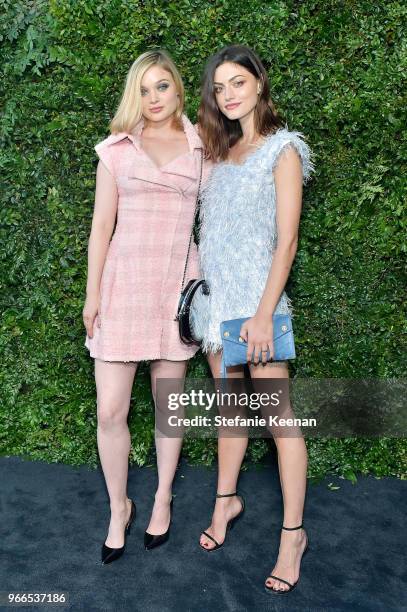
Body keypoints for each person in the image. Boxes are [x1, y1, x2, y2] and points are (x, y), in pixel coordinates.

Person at [192, 44, 315, 594]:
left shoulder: (282, 150)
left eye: (237, 82)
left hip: (258, 309)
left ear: (260, 84)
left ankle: (293, 537)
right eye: (220, 87)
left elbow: (286, 241)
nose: (229, 95)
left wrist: (264, 315)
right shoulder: (219, 155)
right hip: (218, 309)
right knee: (230, 415)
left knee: (280, 422)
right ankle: (226, 504)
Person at [83, 49, 210, 563]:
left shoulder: (206, 146)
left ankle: (161, 497)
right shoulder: (115, 149)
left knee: (167, 408)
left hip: (176, 286)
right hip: (123, 285)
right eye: (143, 89)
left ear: (178, 89)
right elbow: (100, 229)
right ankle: (119, 507)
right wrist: (92, 294)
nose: (153, 98)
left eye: (162, 86)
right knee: (110, 408)